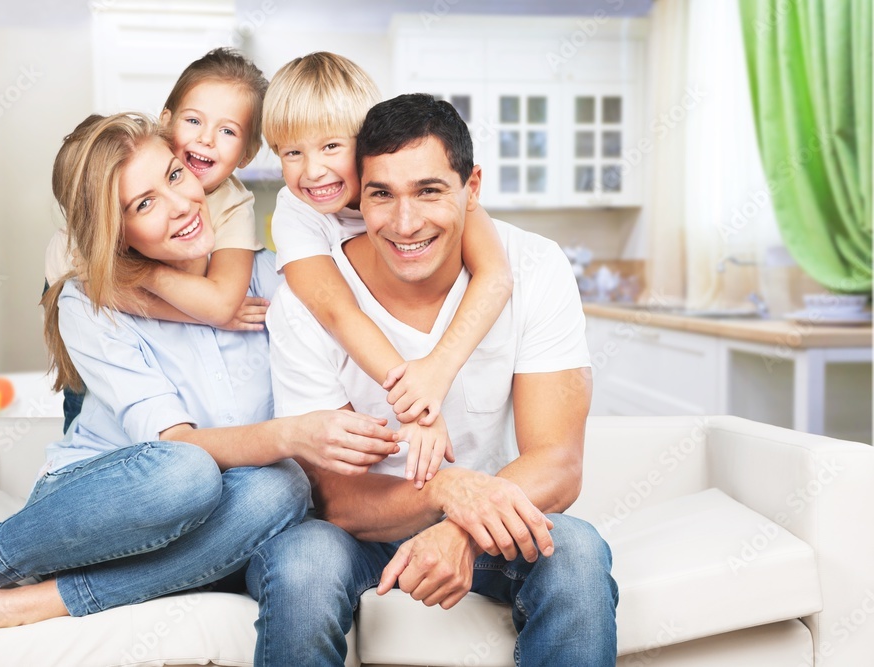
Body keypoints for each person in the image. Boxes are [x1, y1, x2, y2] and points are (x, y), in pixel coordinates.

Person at [0, 113, 399, 651]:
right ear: (115, 230)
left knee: (282, 487)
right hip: (103, 505)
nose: (180, 207)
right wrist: (291, 434)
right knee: (187, 473)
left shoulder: (278, 277)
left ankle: (28, 606)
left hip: (224, 521)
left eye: (175, 176)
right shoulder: (91, 303)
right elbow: (178, 449)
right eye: (142, 205)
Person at [249, 94, 618, 666]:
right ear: (356, 195)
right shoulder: (307, 302)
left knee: (574, 551)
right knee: (302, 562)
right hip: (360, 533)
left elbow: (559, 463)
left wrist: (462, 529)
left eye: (428, 191)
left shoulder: (535, 266)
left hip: (490, 518)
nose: (405, 222)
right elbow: (336, 498)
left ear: (472, 188)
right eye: (381, 194)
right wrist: (444, 490)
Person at [261, 53, 514, 487]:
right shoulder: (295, 212)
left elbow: (496, 276)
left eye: (331, 146)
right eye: (292, 152)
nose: (312, 170)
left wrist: (437, 371)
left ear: (365, 144)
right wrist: (415, 404)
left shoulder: (430, 187)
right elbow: (337, 310)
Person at [44, 47, 271, 432]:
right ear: (166, 123)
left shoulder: (233, 203)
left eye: (228, 130)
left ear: (247, 155)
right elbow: (89, 291)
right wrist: (149, 277)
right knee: (88, 404)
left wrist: (142, 275)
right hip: (91, 314)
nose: (206, 139)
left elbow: (219, 304)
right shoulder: (92, 224)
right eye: (194, 120)